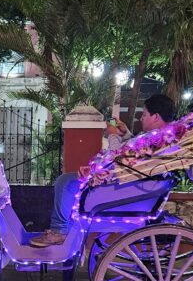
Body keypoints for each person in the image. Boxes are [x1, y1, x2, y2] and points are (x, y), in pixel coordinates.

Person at [31, 93, 177, 246]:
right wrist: (125, 133)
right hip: (132, 185)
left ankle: (59, 231)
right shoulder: (160, 138)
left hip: (123, 188)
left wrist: (113, 135)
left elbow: (119, 158)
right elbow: (135, 153)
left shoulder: (154, 138)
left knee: (65, 182)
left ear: (156, 117)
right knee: (68, 180)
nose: (141, 118)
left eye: (145, 114)